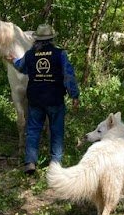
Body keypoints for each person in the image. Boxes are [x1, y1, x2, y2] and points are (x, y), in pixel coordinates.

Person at [7, 24, 80, 175]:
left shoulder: (30, 54)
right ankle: (55, 163)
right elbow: (68, 76)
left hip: (35, 99)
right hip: (55, 99)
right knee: (56, 131)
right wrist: (74, 95)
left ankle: (30, 162)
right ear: (52, 39)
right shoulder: (60, 54)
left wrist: (13, 60)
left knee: (33, 131)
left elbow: (21, 67)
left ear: (36, 39)